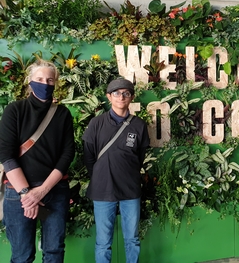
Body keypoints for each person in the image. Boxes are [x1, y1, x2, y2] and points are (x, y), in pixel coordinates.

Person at [0, 59, 75, 262]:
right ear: (30, 82)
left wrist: (41, 191)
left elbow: (67, 155)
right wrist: (27, 194)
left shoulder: (63, 114)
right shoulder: (14, 111)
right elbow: (6, 155)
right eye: (40, 79)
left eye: (50, 80)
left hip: (55, 191)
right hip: (18, 194)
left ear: (56, 83)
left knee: (54, 252)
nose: (45, 84)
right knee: (22, 255)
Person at [83, 78, 150, 263]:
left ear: (131, 97)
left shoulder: (139, 125)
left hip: (130, 190)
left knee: (133, 239)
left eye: (126, 93)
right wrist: (100, 175)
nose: (121, 97)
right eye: (117, 93)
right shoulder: (96, 124)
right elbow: (88, 156)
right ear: (109, 97)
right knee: (103, 242)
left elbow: (140, 156)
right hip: (102, 190)